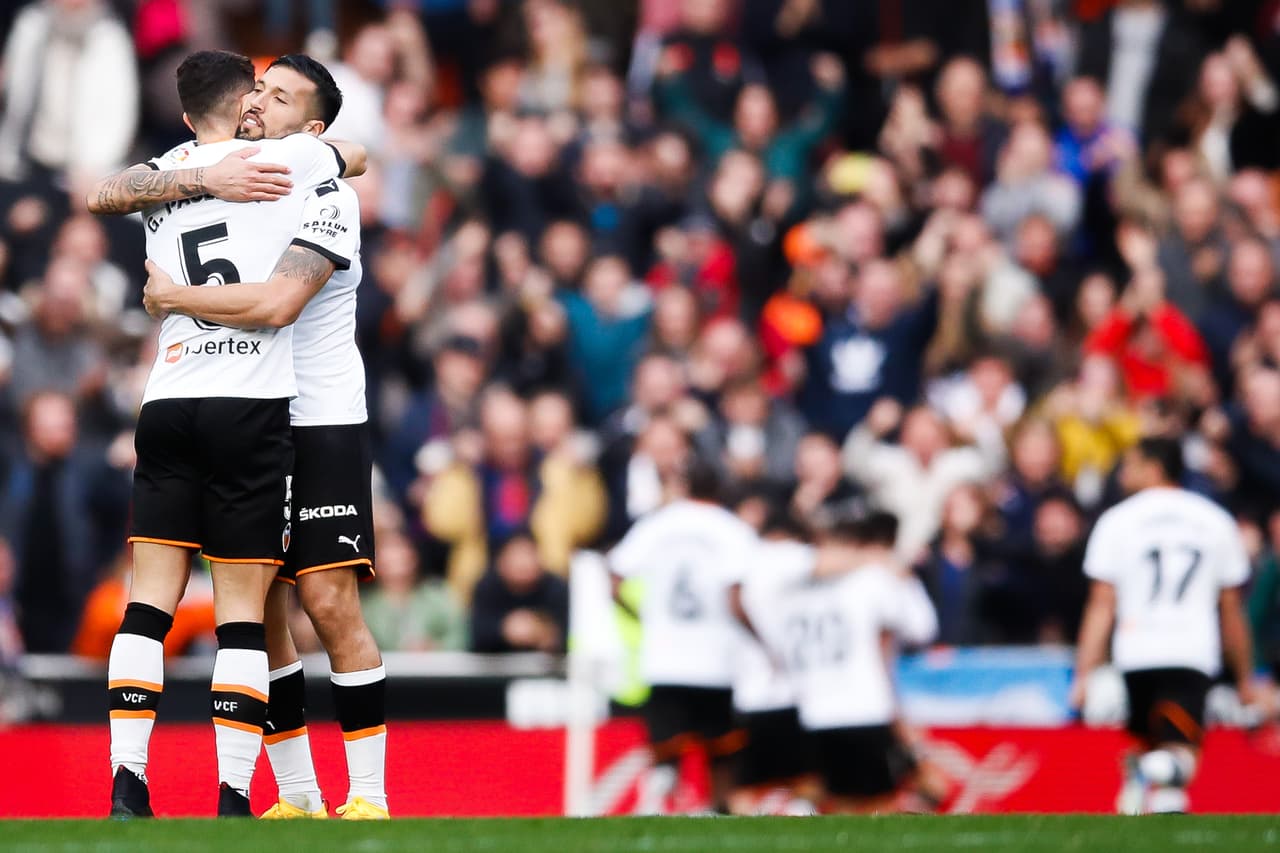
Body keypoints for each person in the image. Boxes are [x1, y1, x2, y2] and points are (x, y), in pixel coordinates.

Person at [87, 50, 364, 818]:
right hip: (249, 402)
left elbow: (100, 193)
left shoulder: (166, 169)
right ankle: (235, 793)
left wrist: (198, 177)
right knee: (244, 613)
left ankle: (126, 784)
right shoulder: (291, 158)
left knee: (147, 606)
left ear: (183, 116)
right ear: (249, 100)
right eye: (261, 92)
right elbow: (356, 151)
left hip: (168, 396)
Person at [1071, 436, 1255, 815]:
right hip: (1190, 651)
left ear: (1154, 468)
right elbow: (1231, 610)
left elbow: (1101, 606)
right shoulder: (1214, 519)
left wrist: (1084, 673)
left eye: (1131, 464)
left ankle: (1157, 801)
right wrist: (1245, 676)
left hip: (1135, 650)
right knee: (1184, 756)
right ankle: (1149, 771)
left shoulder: (1117, 520)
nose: (1122, 473)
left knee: (1160, 751)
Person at [760, 511, 937, 813]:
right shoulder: (870, 579)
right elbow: (922, 627)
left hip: (809, 708)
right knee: (876, 808)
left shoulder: (790, 587)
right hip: (862, 707)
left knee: (833, 802)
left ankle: (795, 812)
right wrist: (900, 575)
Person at [607, 457, 756, 814]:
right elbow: (740, 594)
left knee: (667, 745)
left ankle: (658, 800)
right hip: (717, 658)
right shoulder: (732, 529)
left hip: (665, 656)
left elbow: (614, 577)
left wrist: (642, 618)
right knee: (721, 748)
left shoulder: (657, 524)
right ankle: (719, 807)